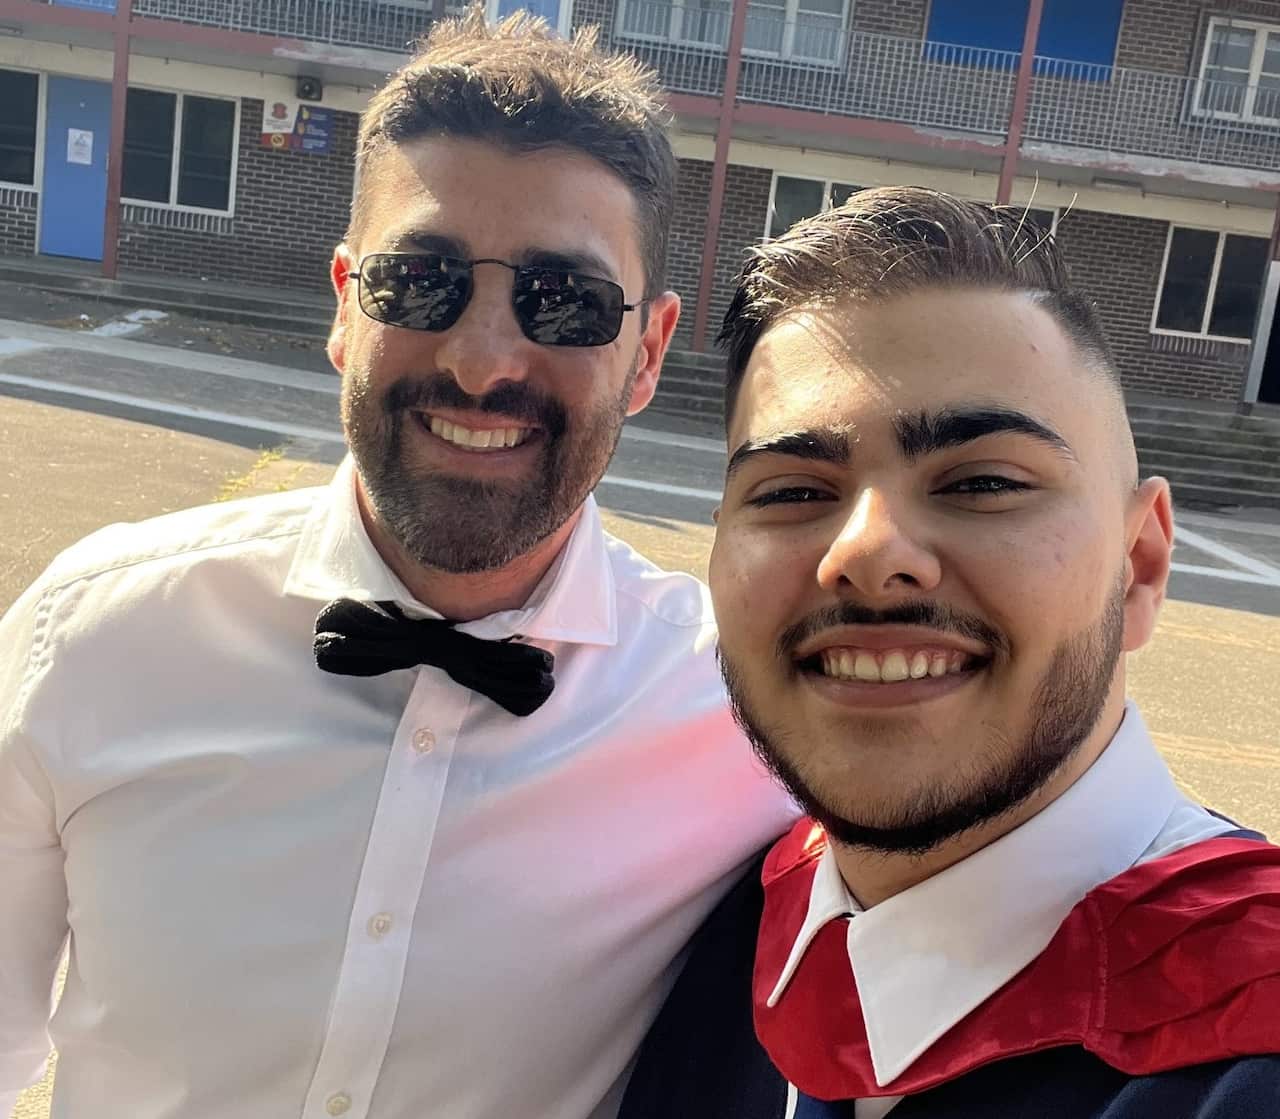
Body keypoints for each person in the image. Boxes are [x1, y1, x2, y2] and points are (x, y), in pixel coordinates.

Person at [0, 11, 797, 1118]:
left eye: (562, 300)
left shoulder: (748, 716)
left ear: (649, 351)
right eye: (418, 281)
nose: (479, 360)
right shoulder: (90, 638)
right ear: (344, 305)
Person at [619, 187, 1280, 1119]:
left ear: (1138, 565)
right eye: (790, 490)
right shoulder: (734, 931)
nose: (867, 552)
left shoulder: (1246, 1053)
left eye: (982, 481)